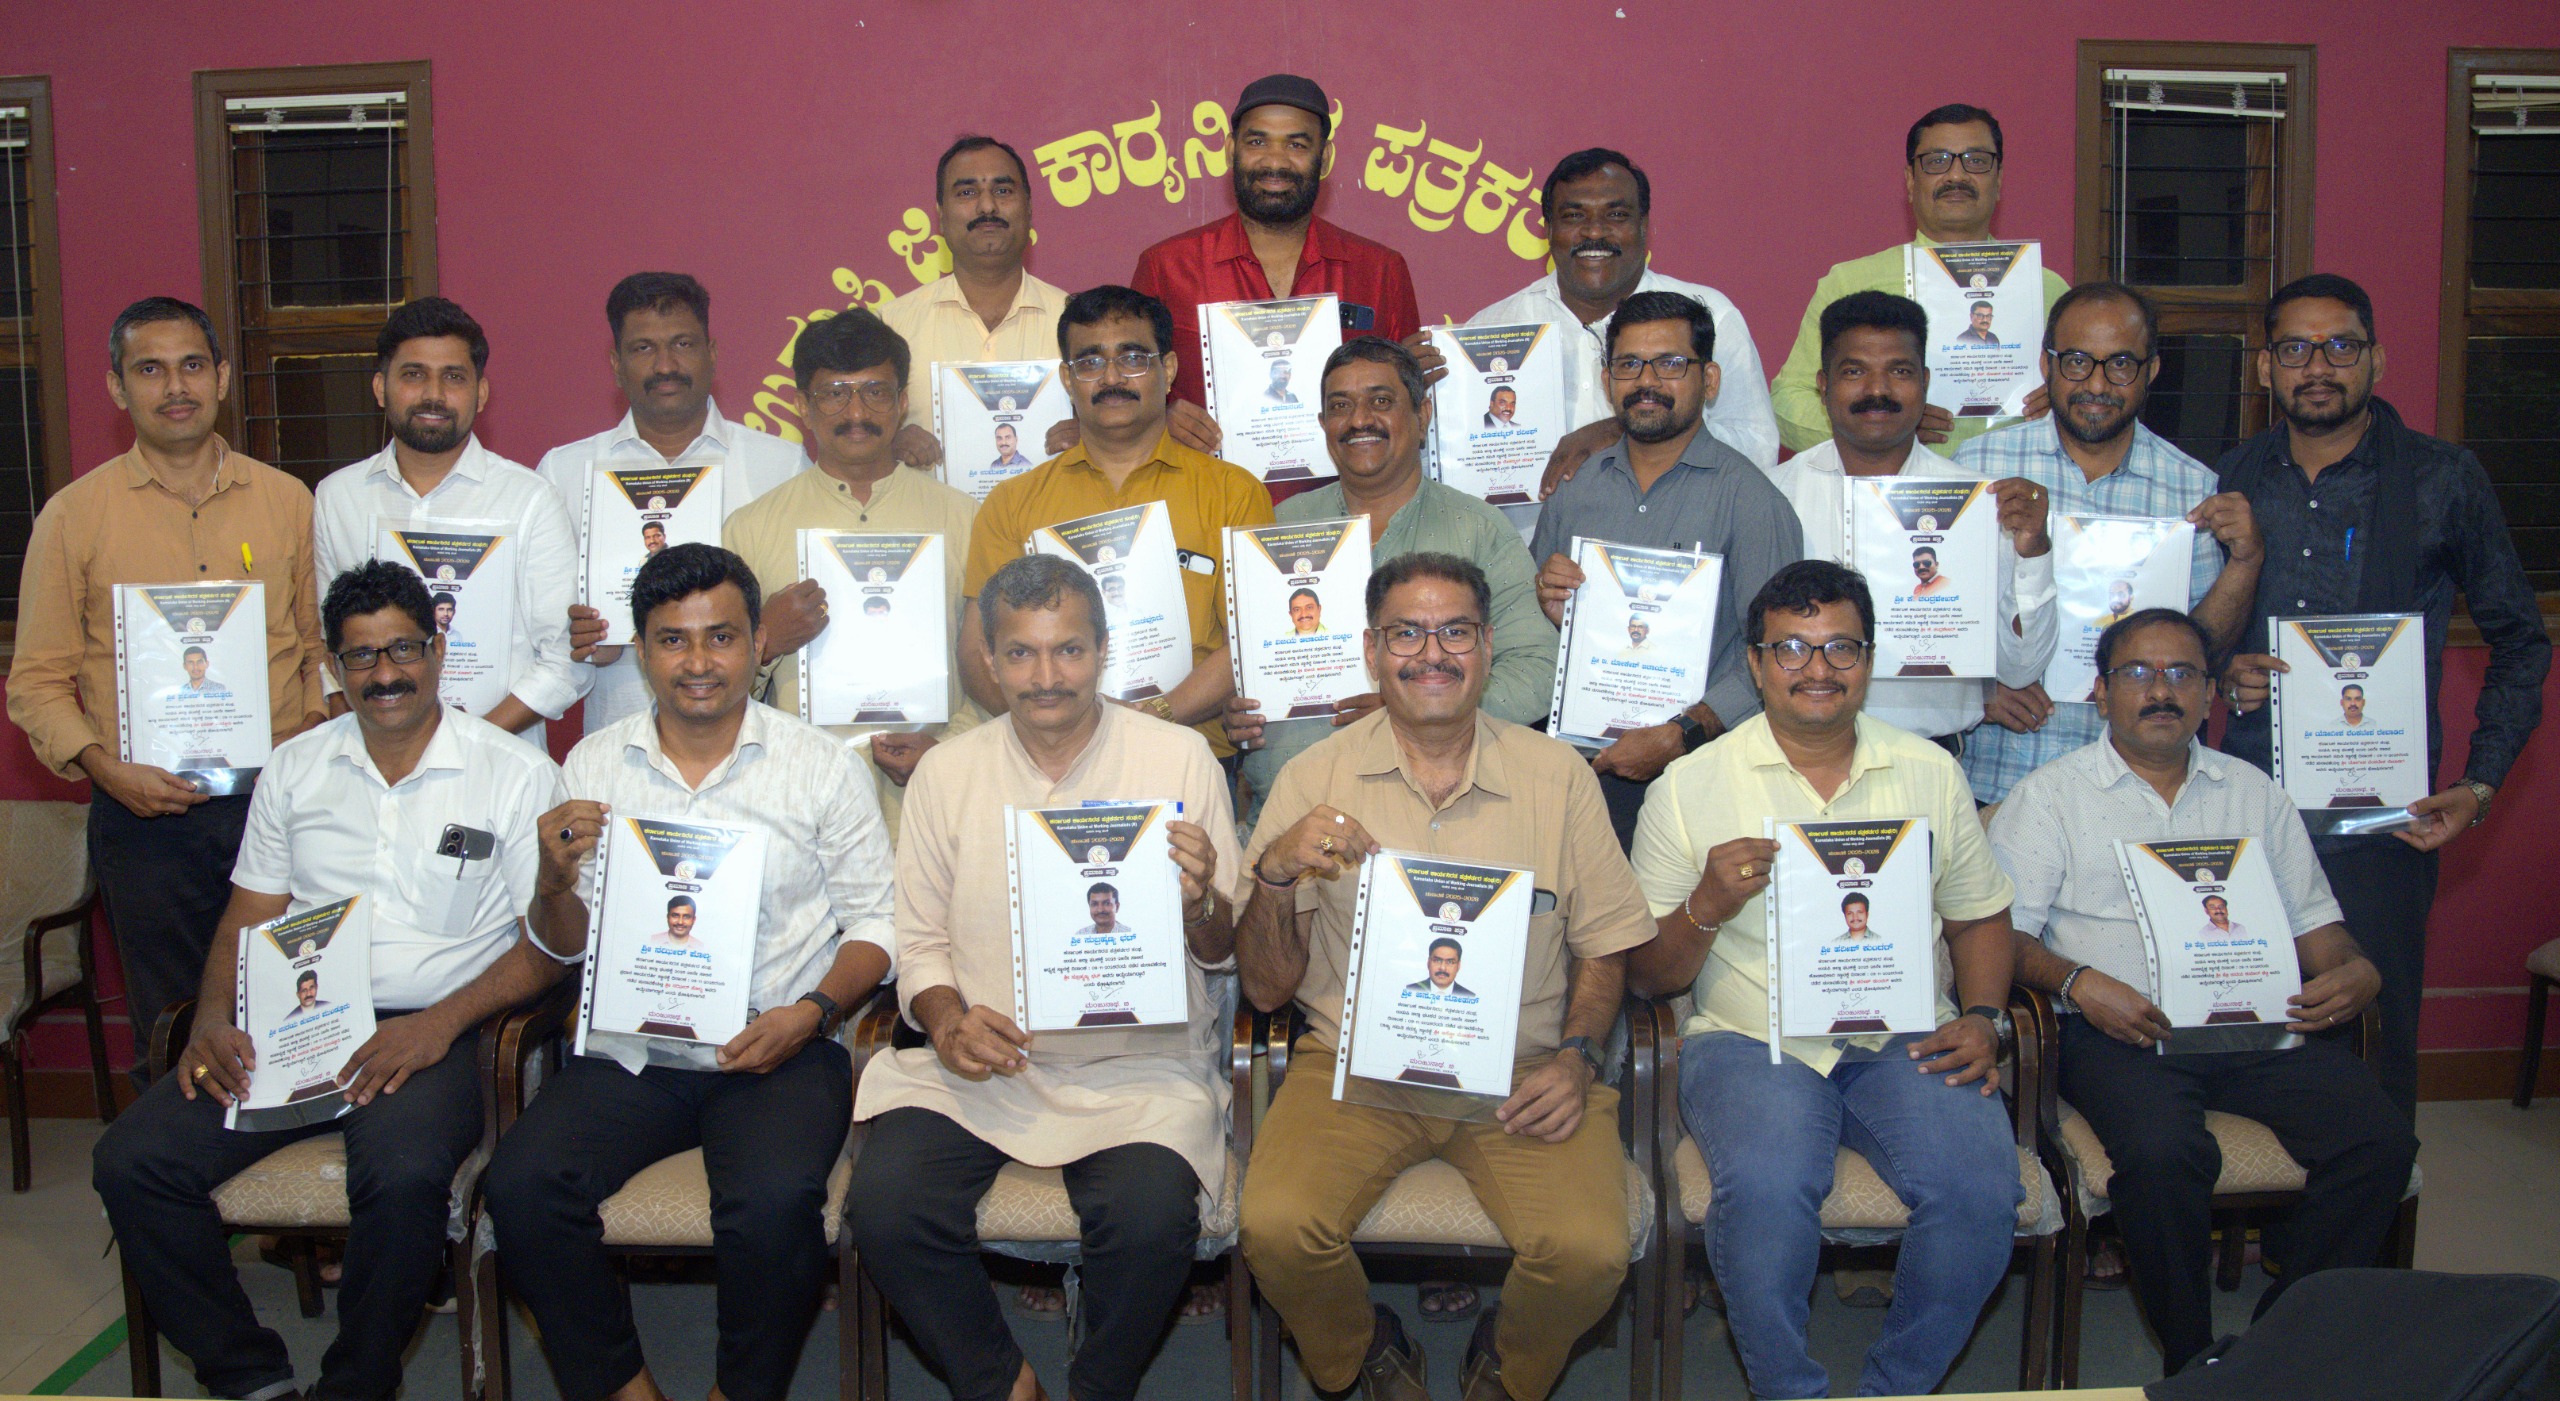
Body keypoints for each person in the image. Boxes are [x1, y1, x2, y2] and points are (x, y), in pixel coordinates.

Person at [94, 559, 565, 1401]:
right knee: (133, 1159)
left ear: (438, 647)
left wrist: (438, 1025)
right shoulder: (296, 767)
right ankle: (250, 1376)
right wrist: (211, 1016)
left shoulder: (515, 772)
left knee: (404, 1173)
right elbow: (246, 917)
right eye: (361, 657)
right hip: (296, 1022)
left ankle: (354, 1386)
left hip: (439, 1029)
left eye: (403, 649)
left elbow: (547, 948)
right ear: (332, 668)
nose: (385, 674)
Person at [484, 544, 896, 1401]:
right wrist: (553, 882)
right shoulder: (593, 767)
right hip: (634, 1052)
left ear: (755, 646)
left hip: (778, 1042)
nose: (699, 662)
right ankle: (625, 1388)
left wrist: (813, 1011)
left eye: (721, 637)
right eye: (673, 640)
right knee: (522, 1185)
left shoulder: (821, 765)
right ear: (640, 651)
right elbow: (565, 944)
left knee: (776, 1200)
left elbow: (879, 922)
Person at [1237, 552, 1649, 1401]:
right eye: (1407, 633)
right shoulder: (1311, 777)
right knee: (1274, 1226)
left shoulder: (1557, 774)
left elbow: (1604, 942)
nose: (1432, 653)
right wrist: (1275, 873)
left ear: (1489, 646)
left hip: (1522, 1074)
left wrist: (1576, 1054)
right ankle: (1364, 1344)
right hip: (1355, 1071)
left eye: (1455, 630)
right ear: (1370, 649)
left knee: (1592, 1248)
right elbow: (1269, 991)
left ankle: (1509, 1359)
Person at [848, 552, 1243, 1401]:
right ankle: (1001, 1384)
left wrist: (1203, 896)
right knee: (885, 1205)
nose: (1046, 675)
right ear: (988, 659)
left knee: (1148, 1220)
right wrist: (948, 1020)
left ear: (1104, 650)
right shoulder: (947, 773)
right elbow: (918, 944)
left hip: (1138, 1065)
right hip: (987, 1063)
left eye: (1068, 649)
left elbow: (1220, 951)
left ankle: (1098, 1387)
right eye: (1020, 652)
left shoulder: (1178, 761)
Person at [1626, 559, 2022, 1399]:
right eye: (1793, 648)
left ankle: (1897, 1387)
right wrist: (1705, 902)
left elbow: (1979, 914)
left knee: (1981, 1190)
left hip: (1905, 1032)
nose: (1818, 668)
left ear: (1869, 659)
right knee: (1768, 1188)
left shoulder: (1929, 771)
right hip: (1748, 1039)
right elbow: (1648, 974)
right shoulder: (1689, 787)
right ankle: (1788, 1391)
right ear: (1759, 662)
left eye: (1841, 646)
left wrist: (1986, 1015)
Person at [1990, 605, 2417, 1374]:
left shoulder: (2256, 794)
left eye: (2183, 673)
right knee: (2163, 1152)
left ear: (2211, 693)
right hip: (2120, 1030)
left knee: (2379, 1140)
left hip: (2254, 1023)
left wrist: (2357, 965)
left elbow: (2321, 929)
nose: (2162, 690)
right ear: (2101, 690)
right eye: (2139, 673)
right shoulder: (2049, 796)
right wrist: (2080, 982)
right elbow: (2004, 940)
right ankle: (2194, 1359)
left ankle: (2276, 1348)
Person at [2213, 273, 2551, 1118]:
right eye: (2295, 348)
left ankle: (2363, 1245)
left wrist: (2479, 785)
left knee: (2374, 1036)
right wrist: (2226, 672)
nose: (2317, 366)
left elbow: (2520, 638)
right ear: (2266, 368)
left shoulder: (2443, 477)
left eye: (2340, 346)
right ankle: (2270, 1237)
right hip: (2246, 803)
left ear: (2377, 359)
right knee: (2243, 1028)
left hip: (2384, 819)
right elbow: (2187, 638)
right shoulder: (2229, 477)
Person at [11, 296, 328, 1070]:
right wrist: (103, 767)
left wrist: (314, 729)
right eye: (149, 368)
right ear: (118, 388)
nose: (174, 386)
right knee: (174, 1028)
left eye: (191, 365)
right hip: (144, 817)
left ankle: (280, 1182)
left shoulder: (288, 501)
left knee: (296, 1007)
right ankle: (176, 1182)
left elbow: (319, 648)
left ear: (220, 377)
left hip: (276, 805)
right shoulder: (72, 517)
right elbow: (37, 683)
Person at [1224, 339, 1558, 834]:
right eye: (1340, 406)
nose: (1359, 419)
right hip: (1286, 819)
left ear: (1422, 416)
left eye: (1381, 401)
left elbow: (1539, 667)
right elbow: (1242, 665)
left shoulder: (1479, 528)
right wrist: (1236, 714)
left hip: (1436, 821)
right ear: (1322, 425)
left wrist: (1421, 708)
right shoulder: (1274, 529)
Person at [1956, 282, 2266, 810]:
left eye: (2120, 364)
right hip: (2000, 777)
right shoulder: (1977, 467)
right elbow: (1940, 618)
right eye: (2077, 361)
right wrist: (1973, 695)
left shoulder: (2192, 487)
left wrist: (2246, 559)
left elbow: (2204, 644)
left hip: (2142, 787)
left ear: (2152, 371)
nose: (2097, 384)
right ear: (2046, 364)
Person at [1531, 291, 1804, 847]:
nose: (1646, 381)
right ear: (1607, 380)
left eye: (1671, 364)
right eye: (1629, 364)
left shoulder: (1753, 502)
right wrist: (1554, 609)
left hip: (1699, 773)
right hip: (1577, 772)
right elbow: (1542, 635)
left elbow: (1779, 659)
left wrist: (1678, 734)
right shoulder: (1573, 489)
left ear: (1710, 380)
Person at [961, 285, 1272, 756]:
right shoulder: (1012, 503)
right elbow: (976, 653)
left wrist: (1157, 717)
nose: (1111, 377)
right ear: (1067, 379)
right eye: (1089, 362)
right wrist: (1058, 732)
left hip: (1190, 751)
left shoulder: (1233, 491)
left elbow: (1253, 636)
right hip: (1048, 759)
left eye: (1132, 358)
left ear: (1166, 370)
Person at [721, 308, 979, 838]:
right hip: (796, 808)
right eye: (835, 392)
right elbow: (714, 689)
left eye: (875, 392)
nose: (856, 411)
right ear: (801, 406)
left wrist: (949, 748)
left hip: (935, 803)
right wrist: (765, 643)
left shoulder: (965, 518)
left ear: (903, 402)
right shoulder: (749, 530)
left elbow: (993, 661)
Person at [1768, 291, 2057, 745]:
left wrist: (2035, 553)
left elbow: (2021, 667)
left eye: (1899, 372)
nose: (1877, 391)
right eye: (1854, 371)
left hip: (1932, 763)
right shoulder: (1772, 495)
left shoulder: (1978, 505)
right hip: (1793, 757)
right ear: (1823, 385)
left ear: (1924, 382)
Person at [537, 272, 808, 735]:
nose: (665, 365)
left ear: (713, 354)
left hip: (756, 745)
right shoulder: (564, 472)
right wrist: (576, 639)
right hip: (619, 746)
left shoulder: (781, 464)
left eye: (682, 344)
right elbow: (544, 641)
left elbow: (805, 612)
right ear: (615, 363)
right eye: (643, 348)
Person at [314, 297, 578, 748]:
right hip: (371, 766)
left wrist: (467, 744)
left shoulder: (529, 499)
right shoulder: (338, 497)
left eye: (453, 377)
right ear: (380, 387)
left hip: (499, 768)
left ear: (481, 393)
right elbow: (332, 647)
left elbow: (567, 661)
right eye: (413, 374)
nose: (433, 394)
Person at [1129, 74, 1430, 461]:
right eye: (1257, 142)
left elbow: (1405, 412)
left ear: (1325, 158)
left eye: (1297, 144)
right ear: (1230, 149)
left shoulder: (1380, 270)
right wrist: (1158, 418)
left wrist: (1412, 383)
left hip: (1344, 508)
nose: (1275, 161)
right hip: (1210, 504)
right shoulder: (1165, 267)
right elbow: (1128, 390)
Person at [1485, 148, 1780, 532]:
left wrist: (1627, 432)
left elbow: (1757, 450)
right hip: (1529, 563)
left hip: (1674, 553)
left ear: (1644, 227)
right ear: (1548, 229)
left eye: (1616, 215)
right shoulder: (1492, 328)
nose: (1594, 232)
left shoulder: (1712, 316)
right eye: (1574, 216)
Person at [1770, 104, 2066, 456]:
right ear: (1910, 181)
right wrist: (1879, 429)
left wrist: (2065, 408)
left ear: (1999, 179)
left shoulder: (2048, 290)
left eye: (1976, 160)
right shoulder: (1850, 283)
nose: (1957, 176)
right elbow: (1786, 402)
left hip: (2013, 496)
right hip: (1888, 496)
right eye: (1937, 161)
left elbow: (2093, 399)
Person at [881, 136, 1073, 466]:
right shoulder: (892, 326)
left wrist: (1097, 438)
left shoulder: (1075, 322)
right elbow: (853, 442)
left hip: (1049, 518)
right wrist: (887, 444)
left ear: (1029, 208)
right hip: (933, 518)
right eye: (967, 192)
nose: (987, 207)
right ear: (940, 215)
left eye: (1003, 191)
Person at [1405, 938, 1473, 997]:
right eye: (1437, 960)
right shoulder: (1410, 990)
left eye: (1450, 962)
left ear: (1458, 966)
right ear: (1428, 963)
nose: (1443, 968)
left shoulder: (1469, 996)